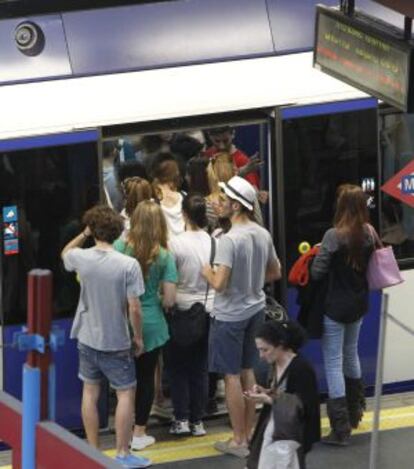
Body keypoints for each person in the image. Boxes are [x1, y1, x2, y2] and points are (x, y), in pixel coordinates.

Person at [61, 205, 150, 468]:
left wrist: (84, 234)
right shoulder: (128, 265)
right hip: (116, 340)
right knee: (125, 394)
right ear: (118, 232)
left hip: (87, 336)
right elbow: (134, 307)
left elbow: (64, 253)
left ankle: (93, 451)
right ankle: (122, 453)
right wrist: (138, 338)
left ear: (93, 229)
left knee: (90, 392)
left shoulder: (81, 258)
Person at [202, 176, 281, 457]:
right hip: (256, 309)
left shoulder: (229, 240)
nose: (219, 204)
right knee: (248, 371)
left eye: (223, 200)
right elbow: (275, 272)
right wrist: (250, 280)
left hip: (229, 315)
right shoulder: (262, 233)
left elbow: (219, 283)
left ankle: (237, 440)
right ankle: (247, 434)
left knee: (231, 376)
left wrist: (206, 270)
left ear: (236, 205)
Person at [311, 184, 375, 445]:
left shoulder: (333, 236)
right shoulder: (369, 233)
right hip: (358, 304)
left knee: (334, 362)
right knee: (351, 354)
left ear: (341, 206)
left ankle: (339, 428)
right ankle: (354, 413)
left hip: (335, 307)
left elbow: (317, 272)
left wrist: (319, 251)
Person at [114, 200, 178, 451]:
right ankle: (139, 431)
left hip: (120, 321)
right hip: (151, 325)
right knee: (146, 377)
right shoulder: (164, 255)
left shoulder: (119, 247)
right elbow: (171, 298)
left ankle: (122, 431)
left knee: (123, 382)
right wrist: (155, 299)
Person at [168, 194, 214, 436]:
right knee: (200, 368)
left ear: (184, 214)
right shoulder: (213, 241)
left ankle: (181, 418)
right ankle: (198, 421)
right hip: (207, 310)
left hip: (181, 310)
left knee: (177, 368)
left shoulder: (175, 243)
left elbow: (171, 281)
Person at [245, 320, 320, 469]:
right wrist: (265, 391)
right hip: (277, 428)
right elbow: (283, 393)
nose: (261, 355)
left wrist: (268, 399)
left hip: (289, 434)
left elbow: (304, 406)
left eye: (265, 350)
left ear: (280, 345)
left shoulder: (302, 369)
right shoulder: (275, 363)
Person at [151, 153, 185, 238]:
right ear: (176, 174)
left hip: (165, 248)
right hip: (185, 247)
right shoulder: (184, 196)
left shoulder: (152, 201)